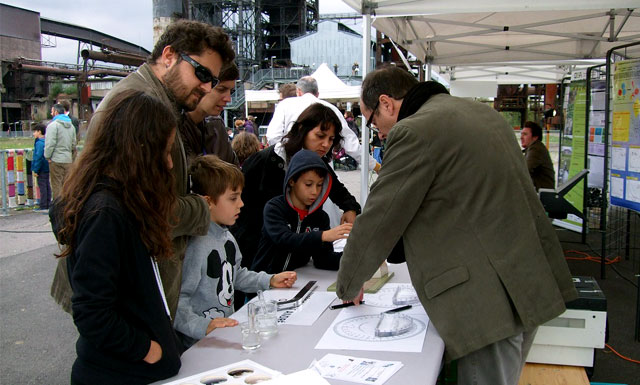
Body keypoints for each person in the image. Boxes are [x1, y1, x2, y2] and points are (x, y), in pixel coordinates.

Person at [335, 67, 577, 385]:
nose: (378, 131)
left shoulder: (414, 131)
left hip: (484, 301)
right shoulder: (482, 114)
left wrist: (348, 285)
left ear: (386, 103)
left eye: (372, 120)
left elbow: (379, 219)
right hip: (526, 279)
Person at [50, 20, 236, 318]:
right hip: (122, 299)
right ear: (169, 56)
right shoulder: (137, 108)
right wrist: (202, 209)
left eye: (212, 81)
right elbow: (131, 211)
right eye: (201, 74)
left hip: (133, 290)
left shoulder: (161, 104)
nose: (206, 88)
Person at [54, 90, 182, 384]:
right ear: (140, 151)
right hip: (115, 374)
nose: (169, 164)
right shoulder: (106, 214)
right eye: (164, 152)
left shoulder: (123, 202)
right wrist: (144, 348)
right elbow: (91, 312)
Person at [232, 103, 360, 298]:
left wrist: (350, 208)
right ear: (302, 130)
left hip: (293, 270)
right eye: (320, 136)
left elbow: (339, 191)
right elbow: (237, 208)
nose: (326, 144)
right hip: (255, 260)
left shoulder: (318, 165)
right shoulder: (264, 161)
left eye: (331, 139)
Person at [174, 155, 297, 348]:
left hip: (224, 337)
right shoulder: (196, 246)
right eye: (233, 198)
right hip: (198, 346)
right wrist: (204, 326)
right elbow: (178, 301)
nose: (241, 203)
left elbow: (236, 275)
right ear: (207, 202)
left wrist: (269, 280)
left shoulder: (227, 237)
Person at [252, 149, 352, 274]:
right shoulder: (274, 208)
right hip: (264, 284)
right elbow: (284, 239)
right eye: (308, 184)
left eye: (320, 185)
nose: (315, 191)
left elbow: (324, 259)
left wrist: (354, 257)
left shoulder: (320, 218)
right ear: (292, 180)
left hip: (293, 284)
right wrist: (323, 236)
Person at [266, 76, 380, 172]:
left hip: (290, 169)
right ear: (317, 93)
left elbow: (273, 136)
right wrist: (375, 166)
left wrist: (286, 158)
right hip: (321, 170)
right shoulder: (331, 109)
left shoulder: (285, 105)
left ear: (298, 91)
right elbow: (351, 144)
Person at [181, 62, 240, 165]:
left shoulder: (217, 127)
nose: (228, 99)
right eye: (221, 89)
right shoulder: (173, 127)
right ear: (202, 85)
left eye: (230, 91)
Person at [44, 103, 76, 199]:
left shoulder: (53, 126)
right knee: (67, 185)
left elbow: (50, 143)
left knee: (57, 185)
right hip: (68, 159)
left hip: (56, 159)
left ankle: (58, 208)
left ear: (56, 112)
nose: (51, 113)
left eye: (52, 111)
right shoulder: (71, 126)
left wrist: (47, 156)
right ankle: (68, 206)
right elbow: (73, 144)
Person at [521, 121, 555, 190]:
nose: (521, 137)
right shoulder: (532, 148)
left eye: (525, 134)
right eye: (521, 134)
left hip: (542, 196)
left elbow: (525, 170)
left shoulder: (536, 149)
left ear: (535, 137)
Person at [31, 123, 51, 212]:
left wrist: (35, 169)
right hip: (46, 167)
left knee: (42, 186)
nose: (33, 134)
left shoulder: (39, 143)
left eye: (34, 131)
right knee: (47, 186)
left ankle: (43, 205)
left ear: (39, 132)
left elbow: (38, 156)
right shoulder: (46, 141)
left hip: (41, 168)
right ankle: (48, 203)